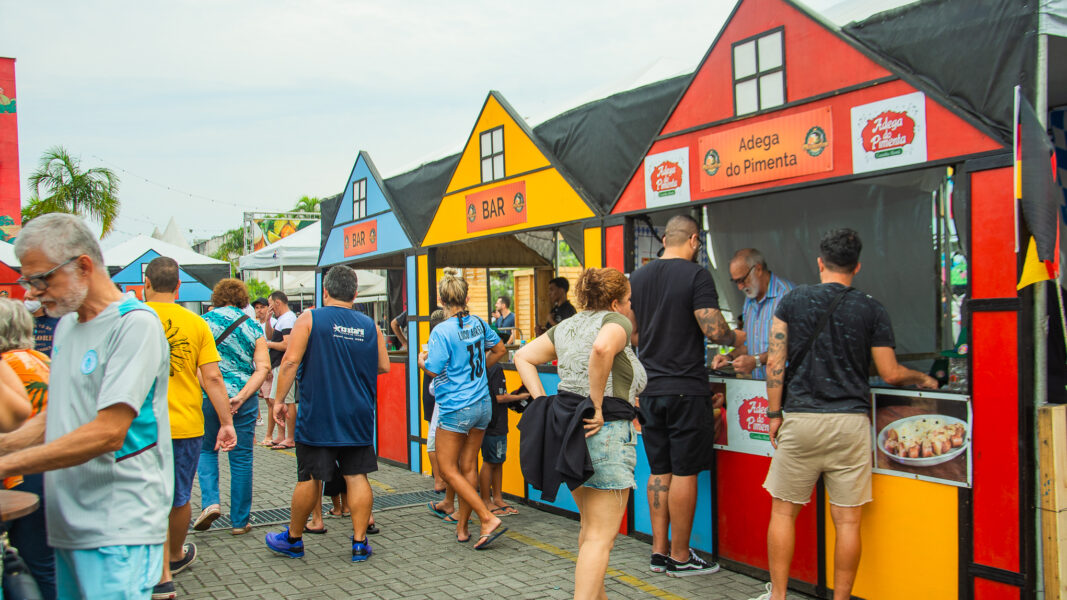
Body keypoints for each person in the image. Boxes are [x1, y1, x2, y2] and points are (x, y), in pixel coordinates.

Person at [750, 229, 937, 600]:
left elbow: (776, 362)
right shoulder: (871, 307)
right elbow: (890, 373)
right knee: (848, 520)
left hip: (800, 421)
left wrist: (774, 413)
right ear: (858, 267)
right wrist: (924, 378)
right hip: (850, 424)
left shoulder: (792, 301)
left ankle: (778, 596)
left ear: (820, 263)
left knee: (784, 514)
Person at [1, 213, 164, 598]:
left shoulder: (134, 324)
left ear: (83, 265)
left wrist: (7, 464)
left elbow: (109, 431)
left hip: (117, 524)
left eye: (41, 279)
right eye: (28, 281)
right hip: (68, 520)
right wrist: (5, 446)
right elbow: (53, 412)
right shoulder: (70, 325)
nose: (34, 292)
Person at [514, 267, 646, 599]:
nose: (631, 306)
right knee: (601, 538)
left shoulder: (566, 326)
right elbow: (602, 350)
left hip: (568, 432)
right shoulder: (616, 322)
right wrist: (597, 404)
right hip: (606, 434)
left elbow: (523, 356)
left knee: (590, 531)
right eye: (629, 300)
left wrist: (542, 398)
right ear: (615, 302)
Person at [629, 214, 745, 577]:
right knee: (684, 472)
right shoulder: (696, 275)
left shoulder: (639, 276)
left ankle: (659, 551)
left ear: (665, 239)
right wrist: (735, 338)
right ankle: (681, 556)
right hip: (685, 388)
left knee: (659, 470)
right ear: (694, 240)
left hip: (650, 389)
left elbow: (632, 332)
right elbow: (713, 326)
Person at [264, 266, 389, 562]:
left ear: (326, 291)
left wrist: (279, 399)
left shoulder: (310, 318)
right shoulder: (370, 325)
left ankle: (293, 539)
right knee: (357, 475)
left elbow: (291, 362)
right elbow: (383, 365)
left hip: (319, 411)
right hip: (357, 412)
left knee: (310, 476)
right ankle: (359, 543)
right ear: (355, 294)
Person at [143, 256, 237, 599]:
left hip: (138, 426)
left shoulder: (131, 318)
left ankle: (148, 560)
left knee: (144, 493)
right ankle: (175, 554)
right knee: (179, 495)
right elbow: (212, 376)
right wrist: (226, 422)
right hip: (184, 423)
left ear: (146, 285)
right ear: (179, 286)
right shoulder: (196, 324)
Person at [419, 268, 508, 549]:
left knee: (447, 468)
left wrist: (421, 360)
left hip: (457, 406)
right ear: (465, 296)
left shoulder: (440, 330)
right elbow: (500, 350)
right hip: (483, 404)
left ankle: (486, 517)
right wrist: (478, 372)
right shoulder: (480, 323)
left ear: (441, 299)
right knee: (468, 465)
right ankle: (462, 529)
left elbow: (433, 370)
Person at [193, 279, 270, 536]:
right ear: (243, 299)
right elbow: (263, 368)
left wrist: (214, 394)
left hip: (207, 397)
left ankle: (210, 503)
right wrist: (242, 395)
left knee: (206, 450)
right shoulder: (252, 327)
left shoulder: (202, 323)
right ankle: (239, 522)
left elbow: (196, 367)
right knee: (241, 458)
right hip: (243, 399)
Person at [0, 298, 55, 599]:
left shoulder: (6, 367)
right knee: (45, 562)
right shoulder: (40, 359)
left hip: (24, 476)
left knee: (34, 564)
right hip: (52, 469)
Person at [711, 249, 795, 379]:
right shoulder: (750, 298)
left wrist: (756, 361)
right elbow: (750, 345)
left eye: (742, 280)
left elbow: (794, 346)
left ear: (758, 269)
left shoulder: (788, 294)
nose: (740, 287)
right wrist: (729, 357)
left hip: (785, 385)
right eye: (736, 282)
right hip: (758, 387)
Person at [478, 362, 528, 516]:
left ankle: (497, 498)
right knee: (490, 461)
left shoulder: (482, 364)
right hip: (494, 423)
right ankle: (486, 500)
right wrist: (520, 396)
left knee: (498, 461)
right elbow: (499, 397)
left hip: (490, 421)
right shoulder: (496, 367)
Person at [265, 291, 297, 449]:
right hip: (277, 364)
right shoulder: (280, 320)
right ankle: (281, 434)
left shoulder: (289, 319)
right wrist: (267, 320)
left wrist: (268, 345)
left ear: (277, 303)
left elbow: (287, 344)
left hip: (285, 365)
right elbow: (270, 335)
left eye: (270, 304)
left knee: (288, 400)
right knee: (274, 400)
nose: (270, 308)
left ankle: (290, 437)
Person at [251, 297, 281, 445]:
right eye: (257, 308)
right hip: (257, 369)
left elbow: (272, 344)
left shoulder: (274, 323)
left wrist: (268, 366)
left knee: (271, 402)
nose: (259, 310)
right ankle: (264, 435)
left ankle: (270, 435)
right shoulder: (254, 325)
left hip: (269, 367)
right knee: (264, 401)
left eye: (262, 307)